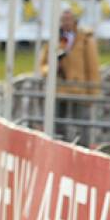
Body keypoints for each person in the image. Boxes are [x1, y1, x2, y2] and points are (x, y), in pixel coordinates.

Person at [39, 9, 100, 141]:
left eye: (68, 20)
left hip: (79, 89)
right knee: (58, 125)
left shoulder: (85, 40)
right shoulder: (54, 40)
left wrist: (93, 93)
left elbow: (92, 67)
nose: (66, 23)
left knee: (82, 126)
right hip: (58, 89)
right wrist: (52, 68)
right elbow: (43, 66)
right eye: (63, 20)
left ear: (75, 21)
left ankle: (82, 149)